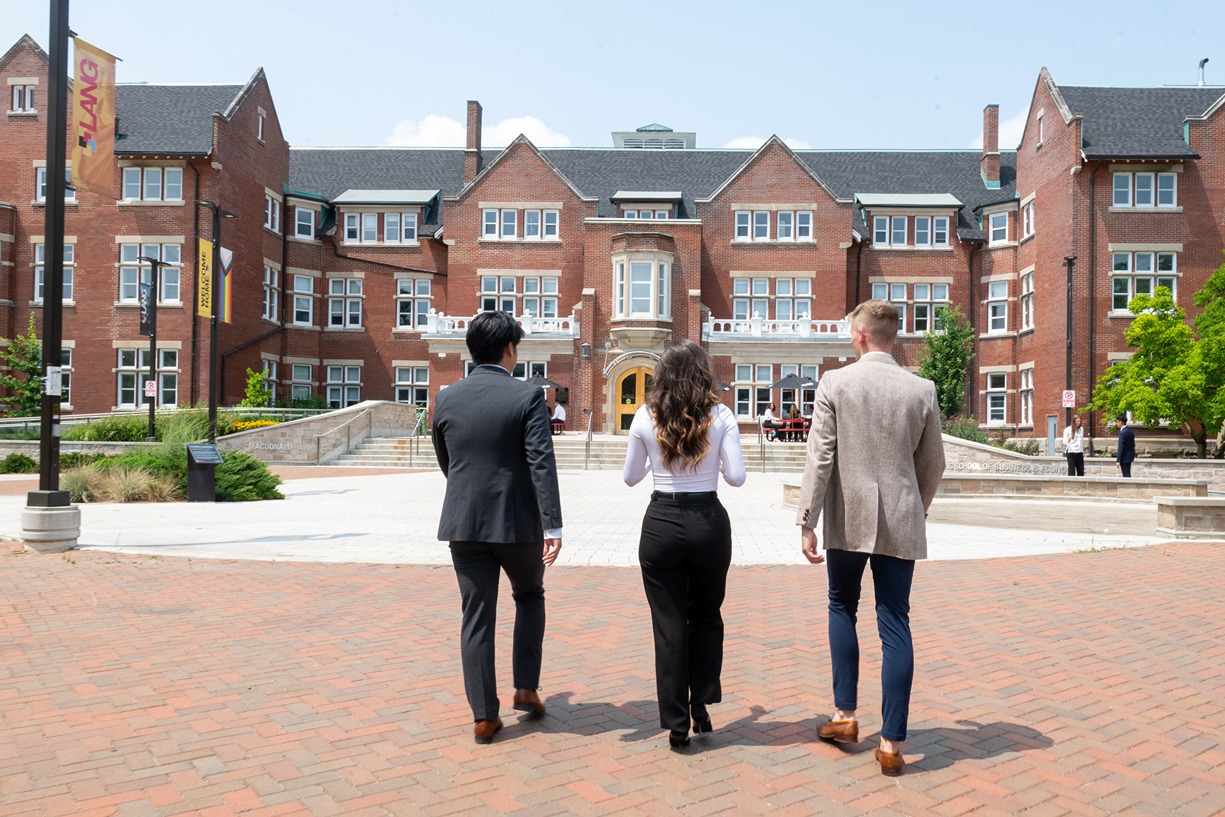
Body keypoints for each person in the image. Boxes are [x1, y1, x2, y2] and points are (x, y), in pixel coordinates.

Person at [796, 300, 945, 778]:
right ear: (891, 336)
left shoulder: (836, 383)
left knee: (842, 605)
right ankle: (891, 743)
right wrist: (914, 508)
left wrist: (807, 519)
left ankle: (844, 715)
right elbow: (934, 463)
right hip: (901, 516)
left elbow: (820, 458)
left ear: (860, 336)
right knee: (895, 622)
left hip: (849, 516)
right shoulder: (922, 389)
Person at [431, 311, 564, 745]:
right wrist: (553, 525)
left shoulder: (447, 397)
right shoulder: (527, 396)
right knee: (529, 595)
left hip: (464, 522)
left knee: (476, 616)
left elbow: (446, 459)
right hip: (517, 525)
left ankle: (484, 717)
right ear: (509, 348)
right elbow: (541, 463)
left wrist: (467, 495)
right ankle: (525, 686)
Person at [622, 339, 746, 751]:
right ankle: (702, 705)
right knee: (706, 616)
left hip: (661, 523)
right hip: (708, 522)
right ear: (702, 372)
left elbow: (631, 478)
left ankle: (677, 723)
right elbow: (737, 478)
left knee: (669, 625)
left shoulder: (645, 415)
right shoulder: (722, 413)